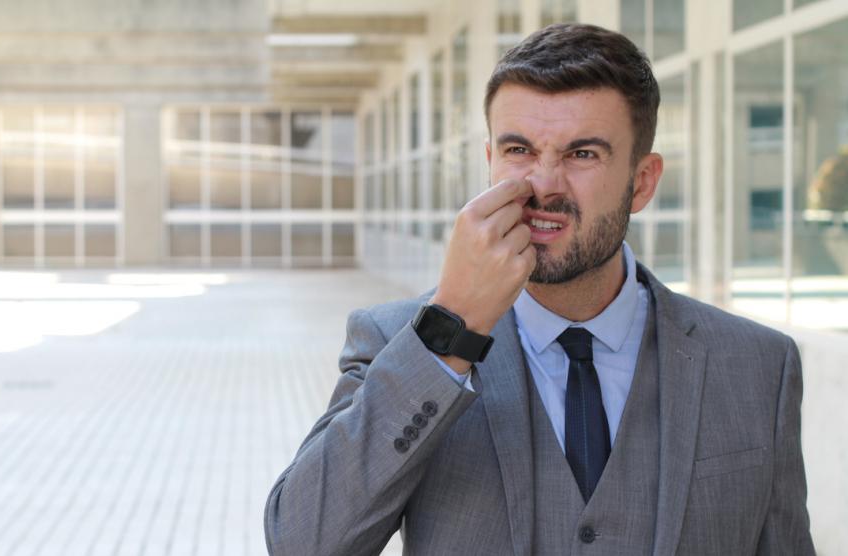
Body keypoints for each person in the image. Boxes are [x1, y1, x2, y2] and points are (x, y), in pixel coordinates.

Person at [264, 23, 814, 556]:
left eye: (582, 154)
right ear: (490, 162)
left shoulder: (758, 366)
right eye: (519, 150)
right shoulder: (397, 341)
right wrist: (450, 327)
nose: (543, 185)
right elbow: (302, 543)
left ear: (642, 181)